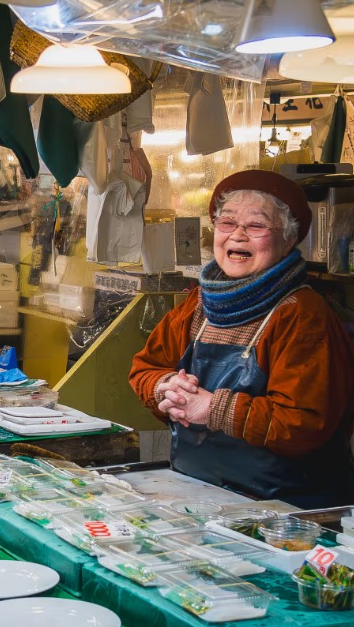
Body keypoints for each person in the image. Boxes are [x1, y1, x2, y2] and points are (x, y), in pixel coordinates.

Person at [130, 169, 354, 507]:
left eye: (257, 226)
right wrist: (165, 387)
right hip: (200, 492)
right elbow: (145, 367)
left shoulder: (302, 314)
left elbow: (303, 422)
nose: (237, 236)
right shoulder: (198, 305)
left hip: (286, 509)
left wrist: (212, 408)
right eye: (227, 223)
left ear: (289, 239)